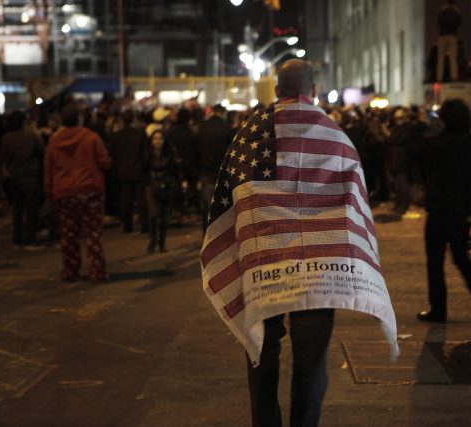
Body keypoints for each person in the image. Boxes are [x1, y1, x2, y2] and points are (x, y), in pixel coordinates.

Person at [200, 59, 397, 427]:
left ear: (276, 91)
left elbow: (234, 197)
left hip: (264, 264)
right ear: (314, 91)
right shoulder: (338, 138)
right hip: (323, 272)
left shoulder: (249, 136)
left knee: (261, 354)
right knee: (310, 366)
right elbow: (355, 203)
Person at [416, 99, 471, 323]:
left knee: (435, 261)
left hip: (439, 209)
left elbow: (421, 161)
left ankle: (439, 308)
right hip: (461, 209)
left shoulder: (437, 144)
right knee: (461, 257)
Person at [44, 104, 112, 282]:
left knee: (68, 234)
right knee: (93, 233)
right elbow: (104, 162)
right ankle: (97, 271)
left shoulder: (54, 141)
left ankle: (70, 271)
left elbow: (49, 170)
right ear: (79, 118)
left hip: (64, 192)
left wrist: (50, 192)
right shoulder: (91, 138)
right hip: (89, 190)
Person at [0, 111, 44, 248]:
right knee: (31, 209)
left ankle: (17, 238)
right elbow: (42, 151)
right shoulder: (31, 135)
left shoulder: (6, 138)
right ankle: (30, 237)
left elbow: (2, 159)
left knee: (17, 210)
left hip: (14, 177)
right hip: (29, 176)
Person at [194, 104, 233, 235]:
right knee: (223, 204)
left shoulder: (202, 128)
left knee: (207, 206)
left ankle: (207, 233)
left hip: (205, 172)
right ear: (222, 113)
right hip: (222, 172)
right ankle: (220, 234)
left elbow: (196, 151)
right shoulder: (227, 129)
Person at [143, 130, 181, 253]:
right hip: (152, 187)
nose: (157, 141)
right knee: (153, 215)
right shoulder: (147, 155)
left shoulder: (169, 154)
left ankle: (162, 243)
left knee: (164, 217)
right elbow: (143, 171)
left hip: (167, 187)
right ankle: (153, 241)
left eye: (160, 138)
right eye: (155, 139)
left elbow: (176, 171)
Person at [109, 110, 146, 232]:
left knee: (125, 199)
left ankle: (127, 225)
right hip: (138, 170)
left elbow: (113, 155)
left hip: (122, 172)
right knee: (140, 199)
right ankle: (144, 225)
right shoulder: (140, 134)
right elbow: (144, 153)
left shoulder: (116, 136)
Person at [436, 0, 462, 82]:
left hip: (442, 35)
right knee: (453, 58)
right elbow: (459, 23)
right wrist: (458, 13)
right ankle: (454, 77)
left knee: (441, 58)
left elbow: (438, 22)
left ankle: (439, 77)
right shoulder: (455, 12)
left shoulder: (443, 12)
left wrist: (441, 11)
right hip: (452, 36)